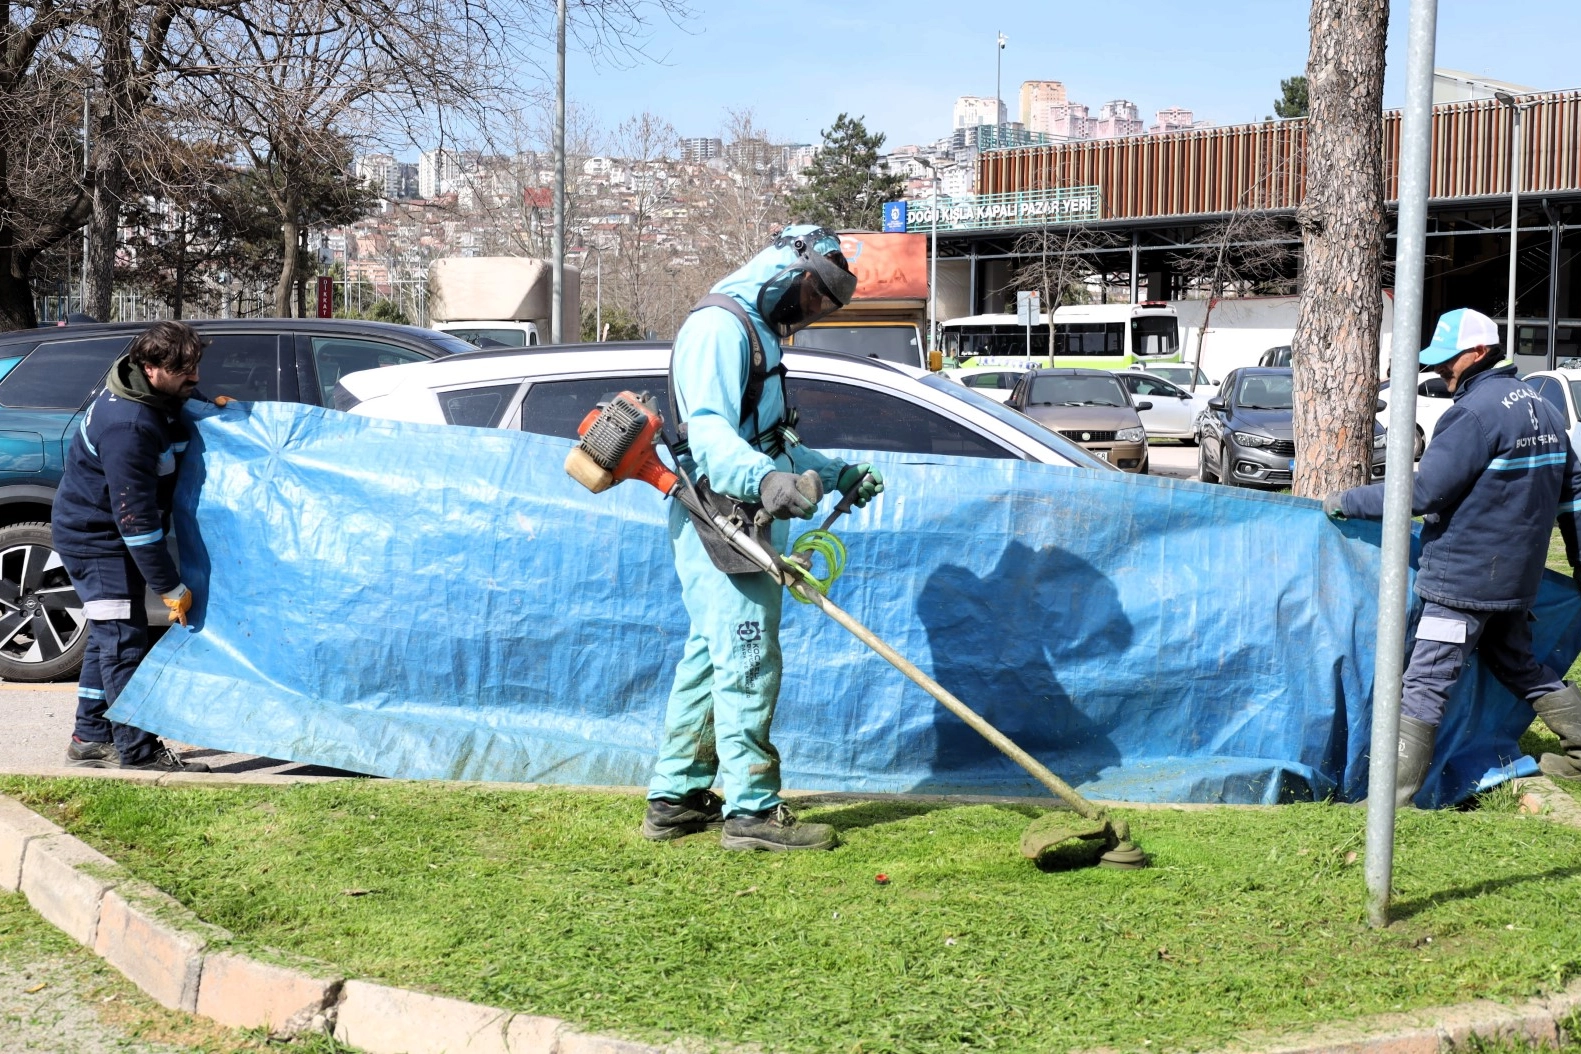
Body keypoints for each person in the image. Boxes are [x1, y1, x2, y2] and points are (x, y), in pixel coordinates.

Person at [642, 225, 884, 851]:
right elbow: (711, 435)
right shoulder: (720, 328)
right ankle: (751, 811)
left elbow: (772, 441)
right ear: (786, 267)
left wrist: (834, 474)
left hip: (736, 508)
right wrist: (763, 481)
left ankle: (675, 797)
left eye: (824, 304)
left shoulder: (756, 329)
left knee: (712, 653)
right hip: (720, 513)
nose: (812, 310)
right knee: (748, 657)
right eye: (813, 294)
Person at [1324, 307, 1581, 805]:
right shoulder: (1544, 406)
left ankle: (1390, 803)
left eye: (1448, 360)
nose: (1440, 370)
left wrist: (1347, 500)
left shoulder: (1472, 414)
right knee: (1519, 664)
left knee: (1425, 682)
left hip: (1463, 583)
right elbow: (1574, 492)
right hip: (1516, 582)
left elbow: (1423, 493)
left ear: (1480, 352)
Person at [55, 320, 212, 772]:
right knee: (123, 641)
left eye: (195, 366)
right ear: (150, 367)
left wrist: (213, 410)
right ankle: (139, 754)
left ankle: (89, 738)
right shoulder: (128, 425)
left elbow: (180, 406)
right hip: (97, 541)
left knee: (110, 637)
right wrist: (169, 586)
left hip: (104, 533)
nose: (195, 377)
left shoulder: (149, 392)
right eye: (184, 370)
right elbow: (136, 521)